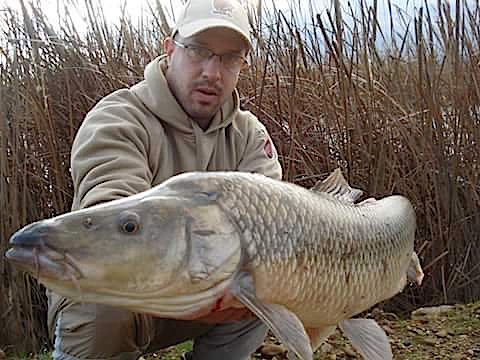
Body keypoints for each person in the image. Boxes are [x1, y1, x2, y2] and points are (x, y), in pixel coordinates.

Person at [46, 0, 282, 359]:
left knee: (263, 288)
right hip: (121, 293)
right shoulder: (118, 119)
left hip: (206, 293)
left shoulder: (249, 135)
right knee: (103, 305)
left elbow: (272, 229)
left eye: (229, 58)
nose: (212, 72)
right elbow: (111, 223)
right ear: (169, 49)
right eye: (199, 51)